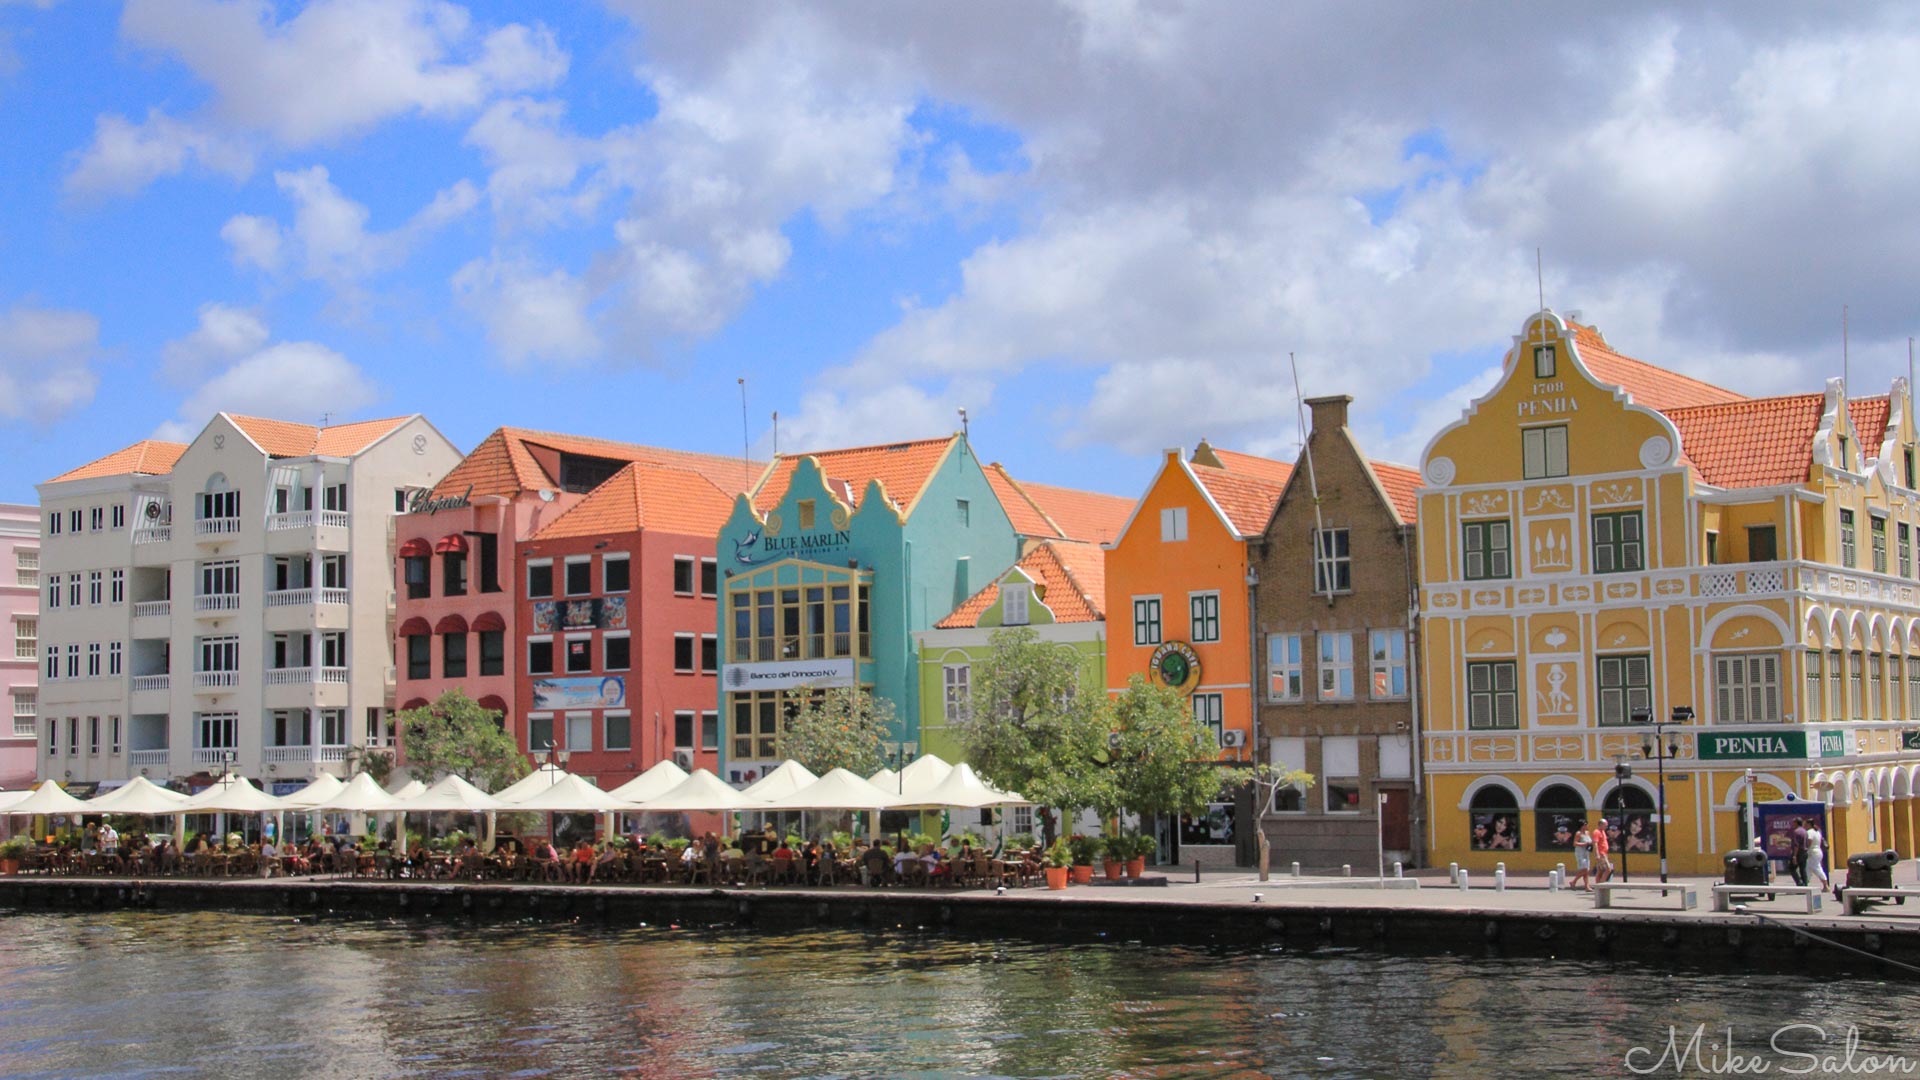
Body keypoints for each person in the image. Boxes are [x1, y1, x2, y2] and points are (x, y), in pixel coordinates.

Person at [1570, 820, 1593, 891]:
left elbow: (1590, 841)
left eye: (1586, 824)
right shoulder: (1578, 833)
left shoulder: (1587, 833)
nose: (1586, 826)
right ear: (1581, 826)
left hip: (1586, 852)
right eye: (1585, 825)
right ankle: (1573, 881)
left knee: (1587, 870)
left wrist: (1590, 844)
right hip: (1580, 852)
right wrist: (1584, 844)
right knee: (1585, 869)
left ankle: (1587, 886)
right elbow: (1574, 843)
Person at [1805, 822, 1828, 891]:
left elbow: (1809, 841)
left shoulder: (1810, 832)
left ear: (1809, 824)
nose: (1805, 826)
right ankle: (1805, 885)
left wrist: (1806, 848)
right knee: (1808, 868)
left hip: (1813, 852)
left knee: (1816, 868)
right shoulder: (1817, 832)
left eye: (1806, 824)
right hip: (1818, 851)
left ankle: (1825, 885)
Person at [1592, 816, 1613, 883]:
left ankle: (1598, 885)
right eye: (1605, 825)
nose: (1606, 827)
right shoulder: (1596, 832)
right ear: (1600, 825)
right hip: (1601, 854)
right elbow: (1595, 844)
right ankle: (1601, 885)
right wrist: (1597, 854)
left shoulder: (1603, 831)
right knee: (1608, 869)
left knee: (1600, 870)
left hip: (1604, 853)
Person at [1789, 818, 1809, 887]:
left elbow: (1796, 845)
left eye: (1794, 823)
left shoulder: (1796, 832)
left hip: (1798, 853)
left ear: (1797, 823)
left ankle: (1800, 883)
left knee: (1792, 868)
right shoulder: (1805, 831)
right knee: (1803, 869)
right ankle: (1805, 884)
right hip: (1805, 852)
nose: (1793, 824)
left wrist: (1794, 856)